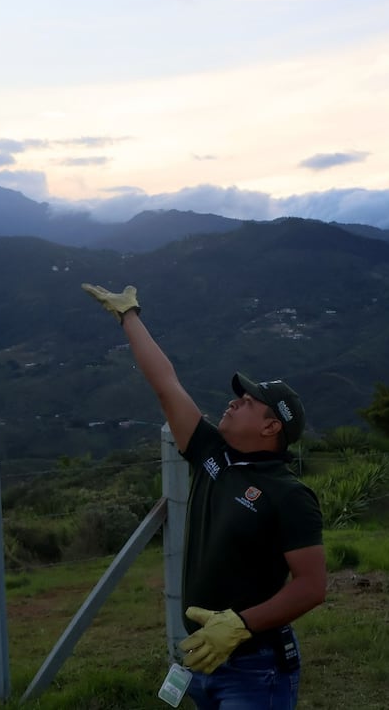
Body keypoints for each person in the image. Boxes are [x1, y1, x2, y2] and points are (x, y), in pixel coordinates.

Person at [82, 283, 326, 710]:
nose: (233, 404)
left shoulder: (289, 495)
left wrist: (239, 625)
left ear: (272, 429)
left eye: (248, 402)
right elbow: (166, 384)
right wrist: (129, 316)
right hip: (202, 659)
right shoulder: (213, 454)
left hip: (256, 668)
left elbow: (311, 586)